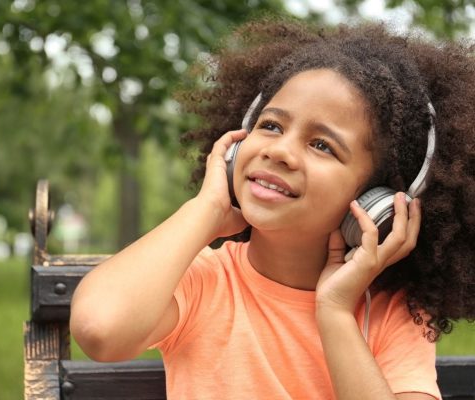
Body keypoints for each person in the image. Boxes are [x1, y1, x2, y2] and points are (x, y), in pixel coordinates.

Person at [70, 16, 475, 399]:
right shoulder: (206, 280)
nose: (280, 151)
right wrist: (207, 208)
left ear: (379, 201)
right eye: (271, 126)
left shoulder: (390, 314)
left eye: (321, 145)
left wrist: (334, 312)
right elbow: (99, 329)